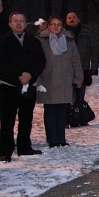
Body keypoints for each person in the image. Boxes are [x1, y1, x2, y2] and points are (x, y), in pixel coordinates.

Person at [0, 12, 46, 162]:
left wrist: (30, 75)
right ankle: (5, 149)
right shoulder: (3, 41)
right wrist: (17, 77)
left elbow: (40, 61)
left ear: (26, 24)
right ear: (10, 24)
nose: (19, 24)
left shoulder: (33, 41)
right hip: (8, 86)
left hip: (29, 85)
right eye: (15, 21)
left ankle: (24, 147)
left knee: (26, 118)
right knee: (7, 119)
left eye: (22, 21)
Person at [36, 16, 84, 148]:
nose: (56, 27)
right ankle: (52, 139)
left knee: (62, 110)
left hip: (65, 80)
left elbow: (76, 60)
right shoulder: (41, 40)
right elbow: (36, 61)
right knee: (50, 110)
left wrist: (78, 78)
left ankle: (61, 138)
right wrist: (38, 80)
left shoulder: (69, 40)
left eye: (59, 24)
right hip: (48, 80)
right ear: (48, 26)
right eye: (53, 24)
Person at [65, 12, 99, 98]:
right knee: (67, 99)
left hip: (83, 70)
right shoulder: (62, 35)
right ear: (66, 21)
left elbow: (94, 51)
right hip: (66, 72)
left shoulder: (87, 34)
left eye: (74, 17)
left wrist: (94, 68)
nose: (72, 19)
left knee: (80, 98)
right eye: (69, 18)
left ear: (78, 20)